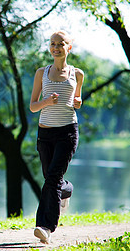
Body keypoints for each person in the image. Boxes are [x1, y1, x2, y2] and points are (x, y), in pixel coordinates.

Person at [29, 30, 84, 244]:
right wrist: (46, 102)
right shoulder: (41, 73)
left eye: (61, 44)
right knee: (51, 178)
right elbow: (33, 106)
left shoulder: (77, 74)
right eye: (52, 43)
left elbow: (77, 98)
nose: (56, 47)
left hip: (67, 132)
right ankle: (66, 189)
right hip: (45, 134)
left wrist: (79, 101)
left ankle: (45, 227)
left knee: (52, 179)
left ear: (68, 48)